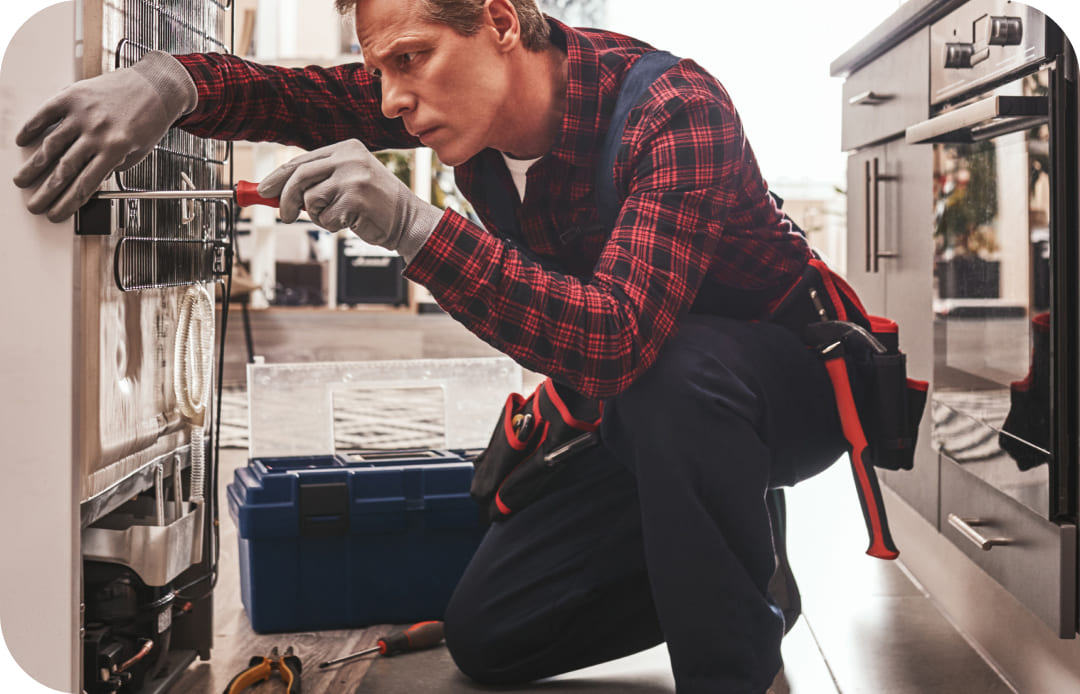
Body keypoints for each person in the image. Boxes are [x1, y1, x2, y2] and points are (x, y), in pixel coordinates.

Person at [13, 1, 852, 691]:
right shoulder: (461, 98)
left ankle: (740, 664)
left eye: (409, 61)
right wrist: (171, 84)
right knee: (494, 636)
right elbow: (294, 97)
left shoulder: (674, 110)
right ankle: (745, 566)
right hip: (643, 418)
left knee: (676, 370)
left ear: (500, 20)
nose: (387, 100)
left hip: (778, 388)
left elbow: (614, 341)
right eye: (379, 69)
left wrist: (417, 230)